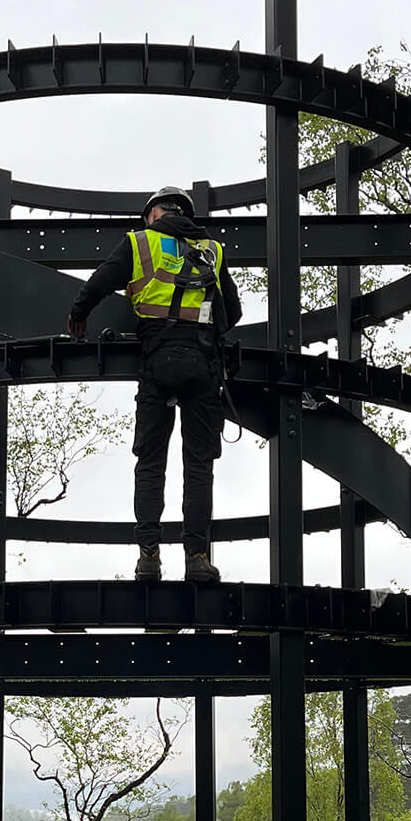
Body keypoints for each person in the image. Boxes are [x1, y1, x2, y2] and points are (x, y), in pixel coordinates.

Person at [67, 185, 241, 583]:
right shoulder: (213, 250)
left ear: (153, 214)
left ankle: (148, 557)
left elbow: (99, 283)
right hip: (201, 365)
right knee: (198, 466)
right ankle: (197, 558)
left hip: (156, 362)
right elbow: (233, 311)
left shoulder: (139, 242)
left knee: (150, 462)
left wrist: (78, 314)